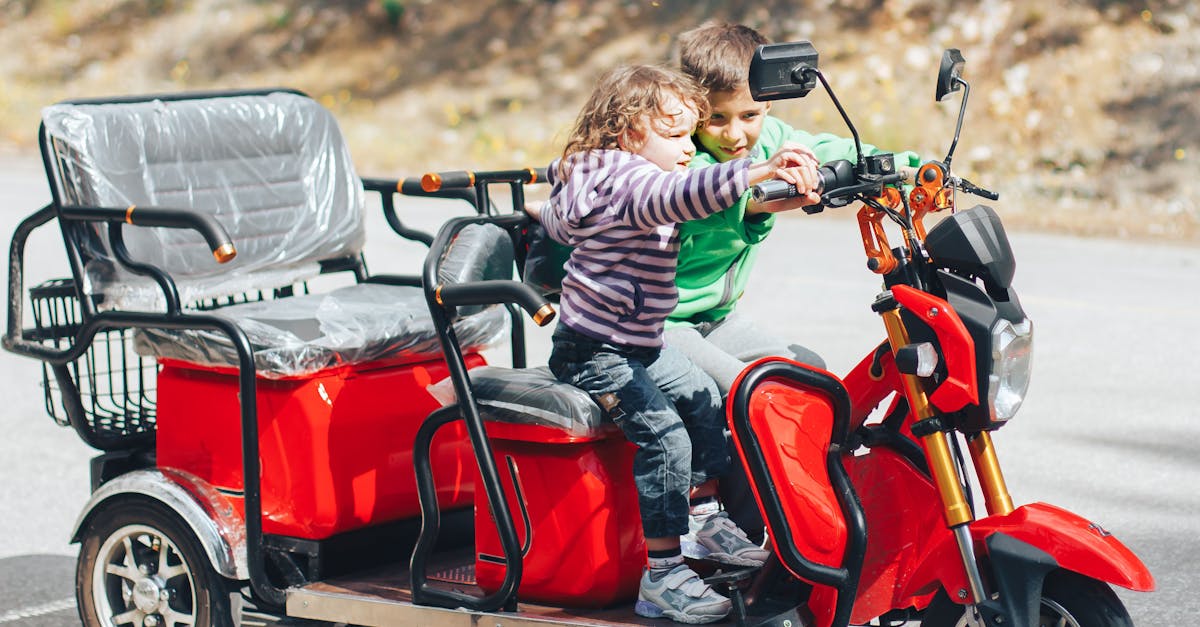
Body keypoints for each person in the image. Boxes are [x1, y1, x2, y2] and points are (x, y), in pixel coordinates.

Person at [526, 64, 820, 624]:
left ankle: (705, 517)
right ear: (630, 135)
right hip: (594, 350)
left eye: (691, 134)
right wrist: (756, 172)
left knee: (704, 397)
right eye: (675, 134)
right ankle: (662, 575)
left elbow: (564, 219)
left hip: (639, 340)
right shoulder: (634, 183)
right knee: (665, 441)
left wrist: (543, 204)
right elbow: (683, 194)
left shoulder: (599, 172)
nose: (689, 148)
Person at [667, 21, 923, 393]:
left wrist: (910, 167)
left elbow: (831, 149)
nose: (734, 134)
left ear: (768, 102)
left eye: (749, 115)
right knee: (747, 392)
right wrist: (766, 201)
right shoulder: (683, 157)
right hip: (663, 324)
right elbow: (718, 199)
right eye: (717, 118)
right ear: (693, 110)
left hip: (718, 320)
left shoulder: (772, 139)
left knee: (811, 376)